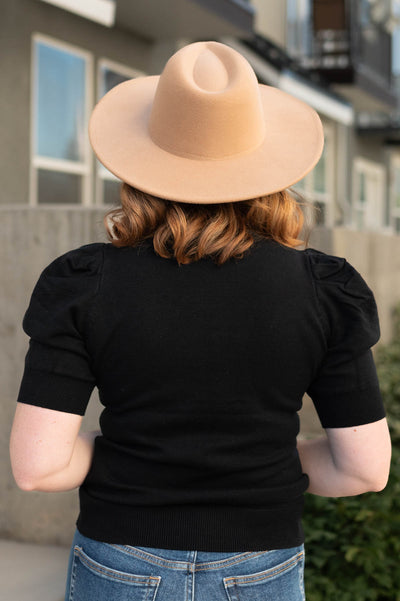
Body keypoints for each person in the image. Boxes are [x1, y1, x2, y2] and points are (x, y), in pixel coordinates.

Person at [10, 41, 391, 601]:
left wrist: (120, 447)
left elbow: (39, 469)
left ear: (139, 166)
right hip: (262, 561)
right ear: (268, 170)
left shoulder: (83, 282)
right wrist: (261, 458)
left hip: (122, 557)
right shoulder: (325, 291)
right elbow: (363, 472)